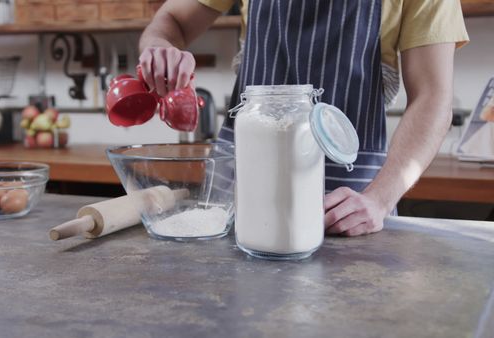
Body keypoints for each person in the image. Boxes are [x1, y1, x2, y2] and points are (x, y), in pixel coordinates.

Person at [138, 0, 469, 237]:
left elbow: (432, 97)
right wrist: (158, 46)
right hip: (236, 198)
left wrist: (380, 200)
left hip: (344, 204)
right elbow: (172, 22)